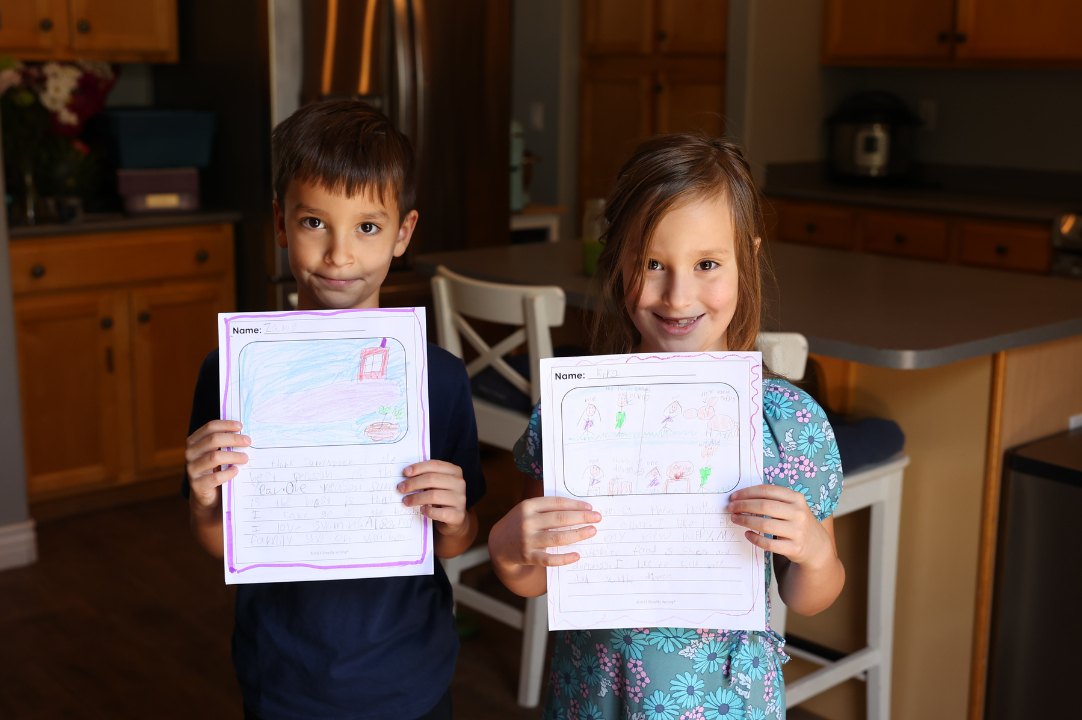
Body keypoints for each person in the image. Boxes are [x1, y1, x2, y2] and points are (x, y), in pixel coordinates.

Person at [489, 133, 846, 720]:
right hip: (595, 695)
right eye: (653, 264)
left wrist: (813, 553)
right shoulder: (576, 413)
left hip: (725, 702)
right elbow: (534, 580)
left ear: (747, 259)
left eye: (707, 264)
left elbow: (811, 598)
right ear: (619, 262)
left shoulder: (788, 423)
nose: (678, 296)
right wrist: (506, 550)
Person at [183, 100, 485, 720]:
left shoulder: (440, 379)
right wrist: (203, 497)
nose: (339, 255)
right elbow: (217, 544)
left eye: (368, 227)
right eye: (315, 223)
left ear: (403, 233)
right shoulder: (231, 374)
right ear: (280, 221)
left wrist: (454, 519)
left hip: (410, 676)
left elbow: (456, 542)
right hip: (284, 677)